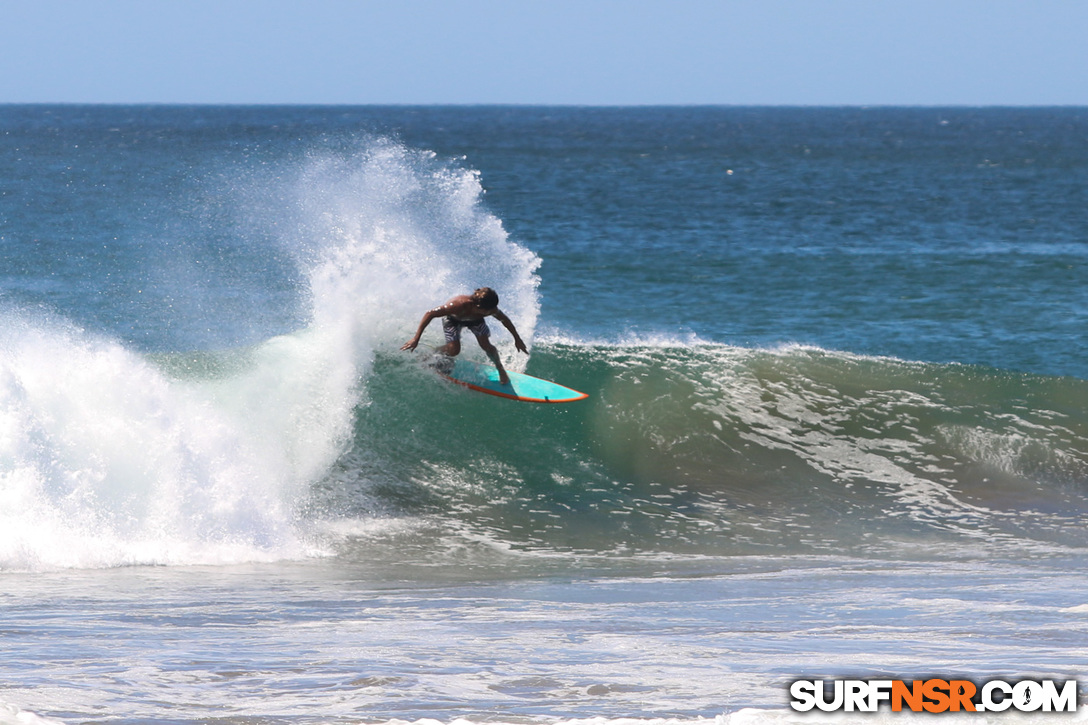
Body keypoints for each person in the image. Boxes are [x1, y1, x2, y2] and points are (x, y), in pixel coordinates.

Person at [401, 287, 528, 385]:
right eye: (488, 311)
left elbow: (505, 320)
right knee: (454, 350)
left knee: (486, 345)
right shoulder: (457, 306)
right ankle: (434, 353)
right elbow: (430, 313)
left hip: (475, 321)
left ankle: (500, 369)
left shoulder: (490, 309)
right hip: (453, 320)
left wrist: (517, 339)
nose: (492, 313)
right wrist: (416, 338)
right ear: (478, 307)